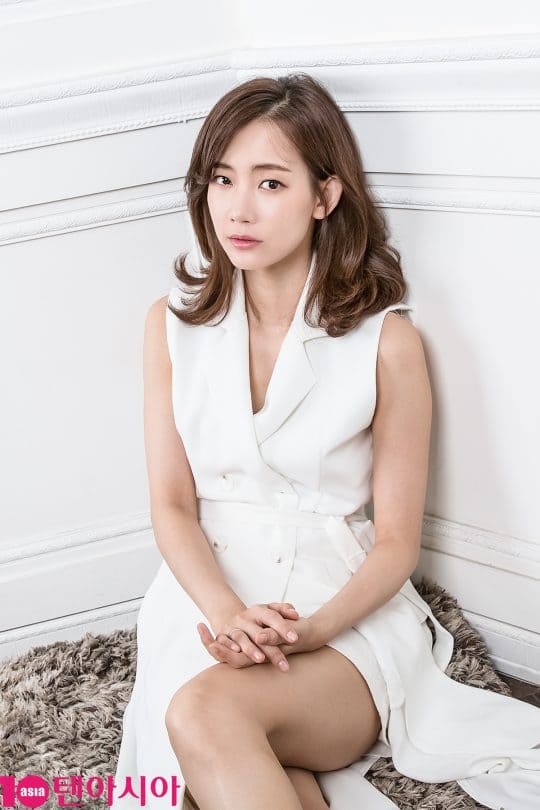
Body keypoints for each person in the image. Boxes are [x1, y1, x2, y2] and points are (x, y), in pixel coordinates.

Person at [114, 74, 540, 810]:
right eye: (222, 179)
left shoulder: (387, 344)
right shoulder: (170, 327)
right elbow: (172, 506)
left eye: (270, 183)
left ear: (325, 196)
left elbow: (396, 544)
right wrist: (225, 613)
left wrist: (312, 631)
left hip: (337, 619)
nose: (238, 208)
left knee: (203, 717)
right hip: (204, 607)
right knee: (190, 783)